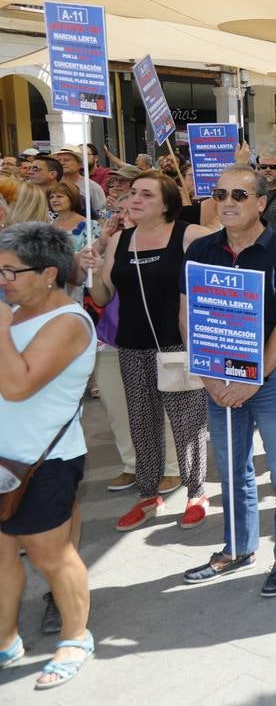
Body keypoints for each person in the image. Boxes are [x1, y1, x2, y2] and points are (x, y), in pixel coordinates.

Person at [178, 165, 276, 596]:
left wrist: (255, 378)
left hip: (271, 380)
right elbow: (188, 317)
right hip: (218, 380)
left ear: (260, 203)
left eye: (238, 194)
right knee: (233, 470)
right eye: (220, 194)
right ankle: (237, 547)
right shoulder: (200, 250)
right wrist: (207, 376)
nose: (227, 202)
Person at [83, 172, 212, 532]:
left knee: (187, 424)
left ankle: (196, 493)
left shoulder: (189, 235)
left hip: (177, 344)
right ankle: (147, 494)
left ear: (167, 203)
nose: (134, 199)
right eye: (133, 193)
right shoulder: (119, 240)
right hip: (132, 345)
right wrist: (94, 271)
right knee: (141, 422)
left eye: (146, 194)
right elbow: (103, 295)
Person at [0, 223, 98, 690]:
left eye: (11, 271)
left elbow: (17, 385)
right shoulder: (16, 313)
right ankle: (6, 640)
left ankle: (76, 638)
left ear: (48, 274)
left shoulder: (68, 322)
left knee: (50, 555)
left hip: (42, 461)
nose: (3, 281)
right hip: (5, 458)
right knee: (1, 555)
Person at [52, 146, 105, 218]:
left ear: (79, 164)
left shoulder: (92, 187)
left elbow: (103, 215)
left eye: (66, 160)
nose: (62, 163)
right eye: (59, 160)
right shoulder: (52, 185)